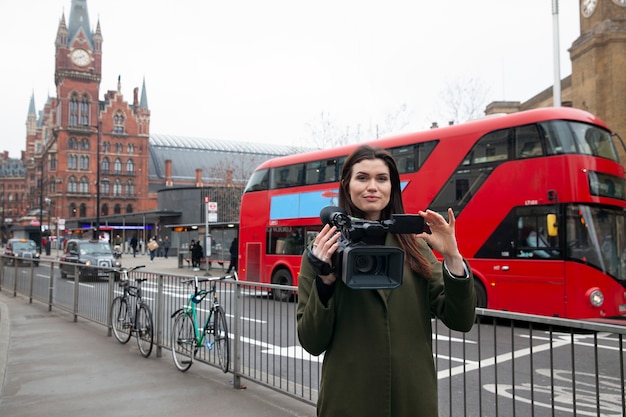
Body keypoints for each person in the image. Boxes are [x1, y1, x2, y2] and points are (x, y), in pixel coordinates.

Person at [296, 145, 476, 417]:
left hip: (412, 399)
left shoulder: (416, 246)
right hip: (348, 399)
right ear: (347, 185)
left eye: (382, 178)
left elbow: (460, 319)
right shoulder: (323, 250)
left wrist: (452, 256)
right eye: (362, 178)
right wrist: (325, 280)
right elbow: (311, 341)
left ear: (392, 186)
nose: (372, 187)